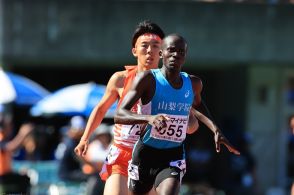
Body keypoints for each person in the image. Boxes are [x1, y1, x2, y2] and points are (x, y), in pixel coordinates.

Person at [114, 34, 240, 195]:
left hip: (173, 155)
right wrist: (149, 118)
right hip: (145, 153)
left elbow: (198, 105)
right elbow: (119, 114)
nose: (176, 55)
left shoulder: (193, 83)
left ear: (185, 56)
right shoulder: (147, 79)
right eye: (171, 50)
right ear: (161, 54)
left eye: (181, 51)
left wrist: (215, 129)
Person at [74, 20, 166, 195]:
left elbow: (185, 113)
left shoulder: (168, 84)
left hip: (153, 156)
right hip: (122, 154)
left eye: (155, 46)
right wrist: (84, 138)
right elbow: (101, 109)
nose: (149, 51)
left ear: (161, 51)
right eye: (144, 45)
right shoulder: (120, 79)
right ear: (134, 51)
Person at [0, 107, 33, 194]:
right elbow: (10, 147)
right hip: (2, 177)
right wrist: (22, 134)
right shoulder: (0, 137)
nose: (11, 128)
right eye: (9, 126)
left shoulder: (4, 138)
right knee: (25, 180)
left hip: (6, 175)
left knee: (24, 178)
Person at [56, 116, 88, 182]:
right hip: (67, 174)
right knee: (93, 177)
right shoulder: (70, 143)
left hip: (65, 173)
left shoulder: (67, 141)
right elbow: (80, 159)